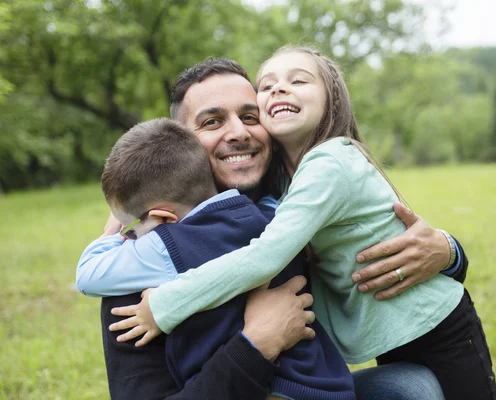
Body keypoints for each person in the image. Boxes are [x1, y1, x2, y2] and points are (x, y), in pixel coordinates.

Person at [112, 47, 496, 400]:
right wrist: (256, 344)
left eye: (250, 116)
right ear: (183, 142)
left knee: (412, 388)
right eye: (212, 121)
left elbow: (374, 233)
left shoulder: (287, 198)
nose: (239, 132)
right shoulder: (144, 258)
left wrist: (448, 252)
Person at [77, 118, 355, 399]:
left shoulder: (166, 245)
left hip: (274, 389)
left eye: (134, 224)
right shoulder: (273, 219)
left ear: (163, 218)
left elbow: (88, 274)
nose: (131, 233)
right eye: (212, 122)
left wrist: (112, 231)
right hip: (326, 384)